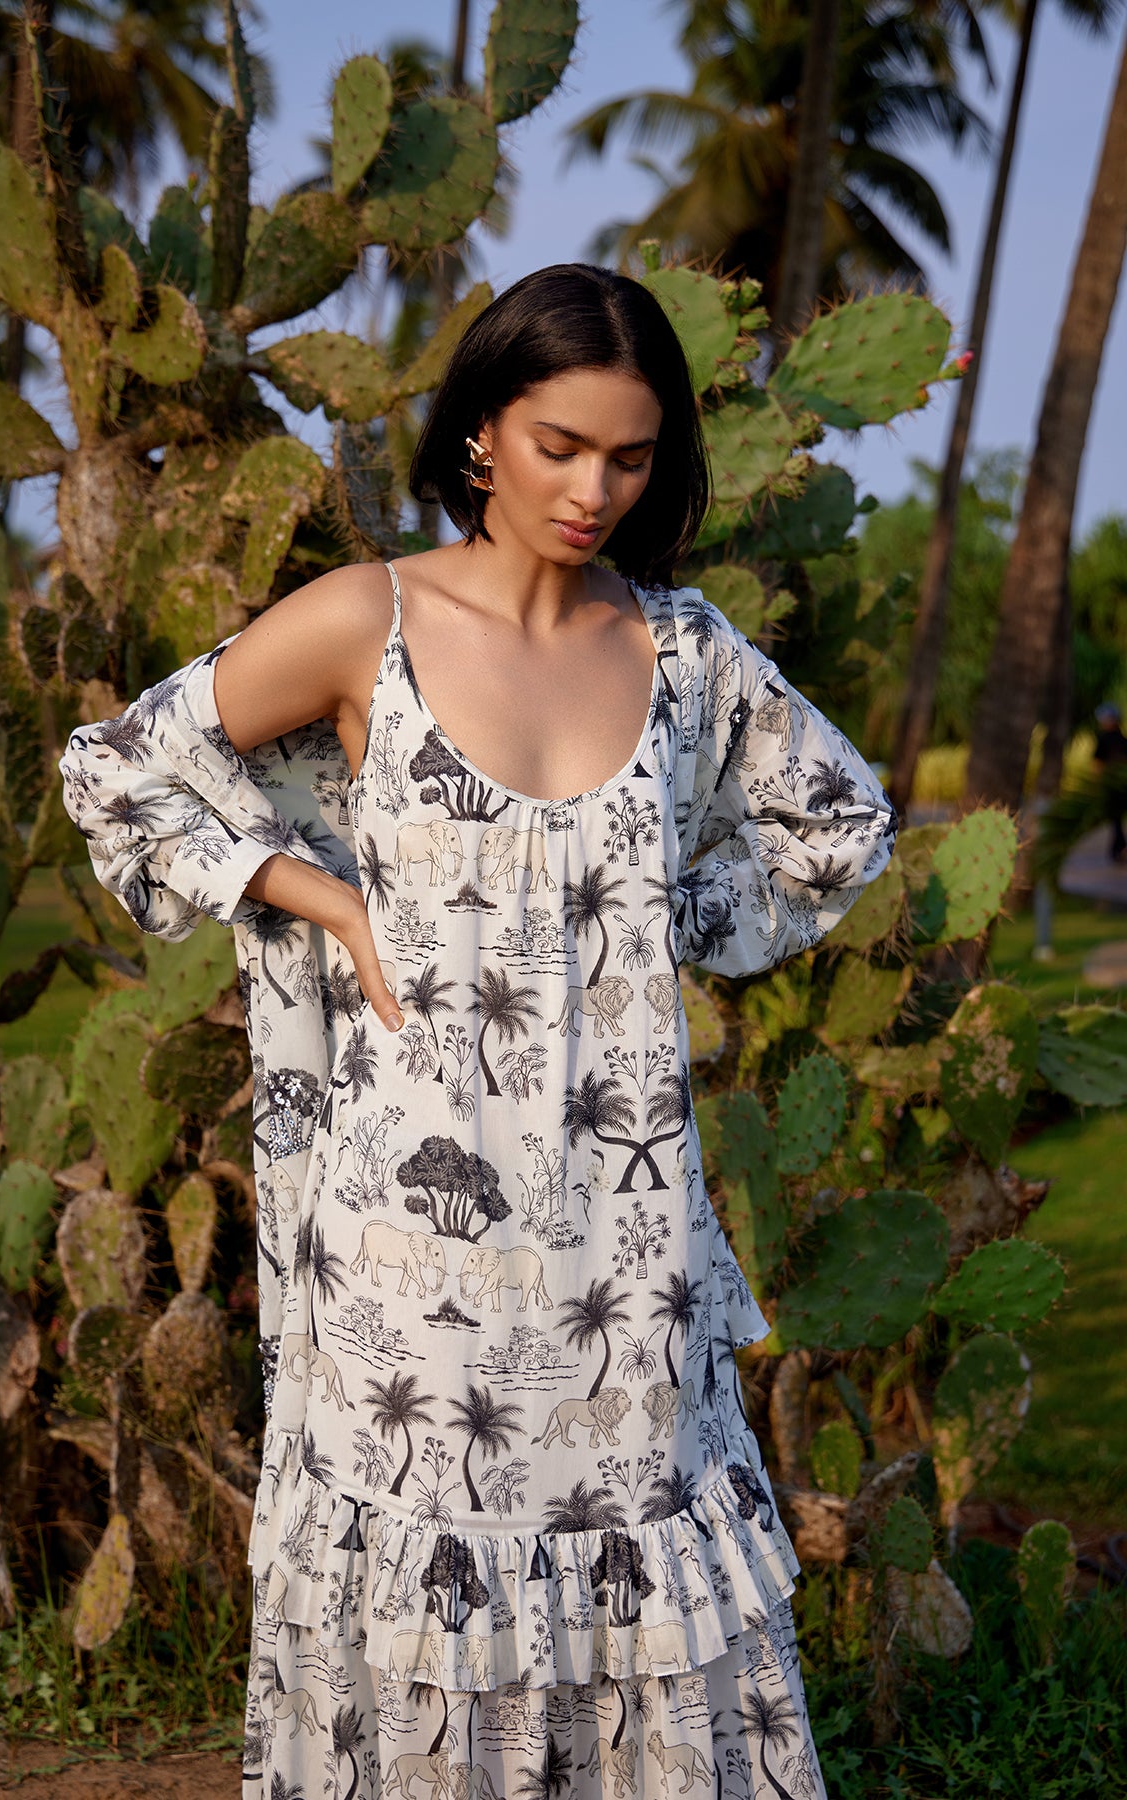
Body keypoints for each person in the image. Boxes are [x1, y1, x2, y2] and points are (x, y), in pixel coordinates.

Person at [60, 263, 896, 1800]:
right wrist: (327, 900)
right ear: (479, 440)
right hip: (414, 1260)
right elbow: (120, 773)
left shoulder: (683, 654)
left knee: (640, 1594)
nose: (596, 490)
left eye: (633, 457)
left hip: (625, 1262)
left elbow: (838, 825)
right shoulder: (364, 621)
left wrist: (653, 938)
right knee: (428, 1620)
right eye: (562, 445)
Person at [1093, 701, 1127, 862]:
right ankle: (1119, 847)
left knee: (1115, 818)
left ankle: (1118, 848)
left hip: (1112, 785)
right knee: (1116, 819)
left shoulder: (1104, 739)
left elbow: (1098, 764)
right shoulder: (1123, 739)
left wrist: (1098, 783)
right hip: (1121, 785)